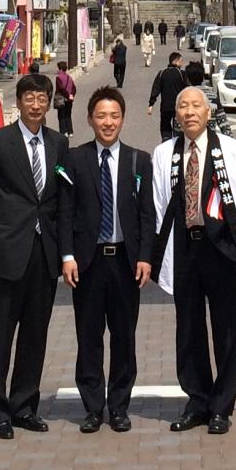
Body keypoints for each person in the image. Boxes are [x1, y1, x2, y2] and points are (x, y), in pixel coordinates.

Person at [151, 85, 236, 435]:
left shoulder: (233, 152)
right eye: (182, 107)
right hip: (184, 246)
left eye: (195, 106)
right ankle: (197, 400)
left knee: (227, 329)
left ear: (208, 112)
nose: (189, 112)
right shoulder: (164, 154)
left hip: (221, 248)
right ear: (176, 114)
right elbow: (159, 206)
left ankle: (222, 406)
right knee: (187, 327)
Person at [0, 71, 69, 439]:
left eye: (42, 98)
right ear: (19, 102)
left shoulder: (58, 144)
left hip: (43, 255)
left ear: (49, 103)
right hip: (5, 256)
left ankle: (25, 404)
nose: (36, 104)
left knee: (35, 334)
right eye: (29, 97)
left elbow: (58, 199)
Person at [60, 85, 155, 433]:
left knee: (124, 337)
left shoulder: (138, 160)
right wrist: (67, 255)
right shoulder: (74, 159)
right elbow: (66, 211)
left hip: (125, 262)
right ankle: (92, 407)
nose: (108, 122)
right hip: (87, 262)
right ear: (89, 119)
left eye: (114, 116)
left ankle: (119, 406)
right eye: (101, 115)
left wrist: (146, 257)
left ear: (123, 120)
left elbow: (147, 215)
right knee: (88, 336)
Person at [150, 51, 187, 137]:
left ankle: (166, 140)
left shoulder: (162, 73)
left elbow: (155, 89)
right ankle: (177, 143)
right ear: (175, 61)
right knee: (178, 127)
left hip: (165, 107)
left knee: (165, 126)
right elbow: (188, 89)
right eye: (181, 61)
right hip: (178, 107)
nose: (182, 63)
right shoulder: (182, 74)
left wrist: (151, 104)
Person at [55, 60, 78, 137]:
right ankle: (70, 131)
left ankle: (64, 131)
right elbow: (74, 88)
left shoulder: (58, 78)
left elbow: (61, 88)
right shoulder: (69, 77)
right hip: (69, 100)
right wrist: (71, 95)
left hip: (61, 99)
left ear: (60, 69)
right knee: (68, 115)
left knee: (61, 115)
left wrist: (67, 95)